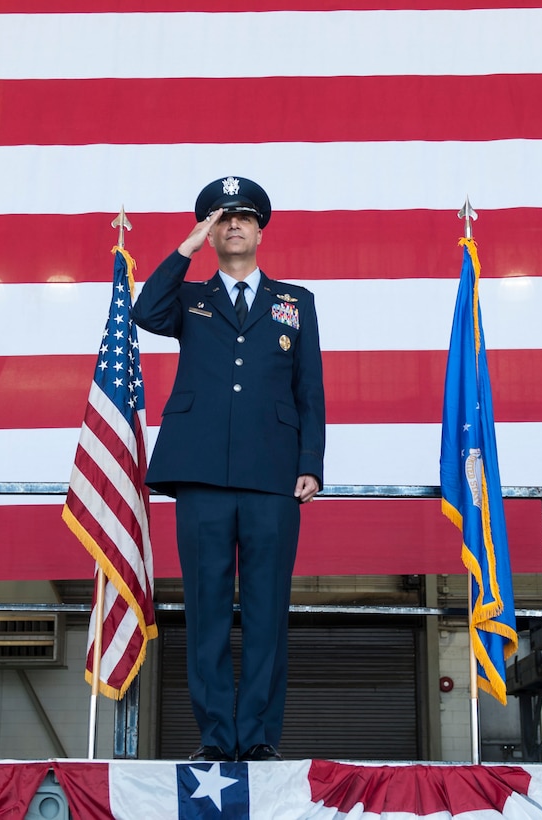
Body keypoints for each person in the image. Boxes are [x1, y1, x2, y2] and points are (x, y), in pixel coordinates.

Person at [132, 175, 325, 763]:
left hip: (273, 476)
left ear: (261, 228)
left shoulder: (297, 302)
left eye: (243, 216)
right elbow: (145, 312)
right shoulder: (190, 298)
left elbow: (308, 389)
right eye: (221, 218)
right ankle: (217, 736)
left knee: (268, 611)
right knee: (206, 609)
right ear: (210, 231)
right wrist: (185, 249)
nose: (234, 225)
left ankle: (260, 736)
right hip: (200, 475)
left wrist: (310, 463)